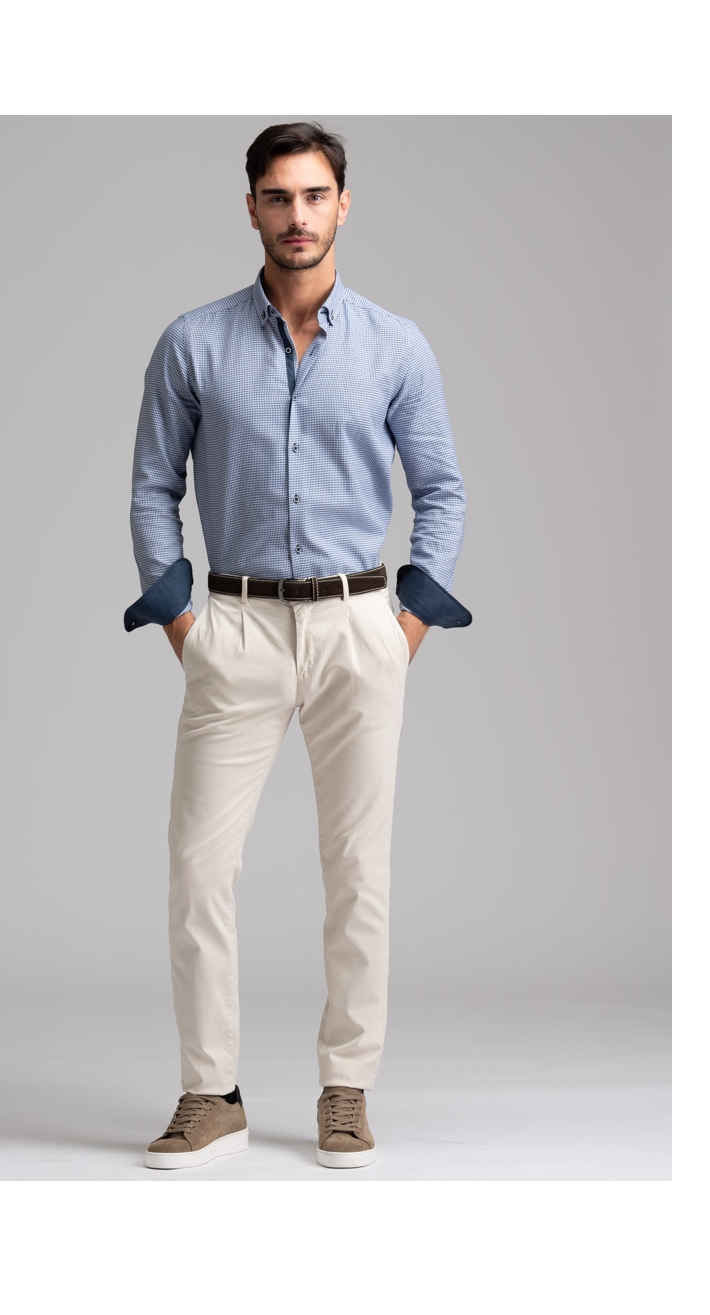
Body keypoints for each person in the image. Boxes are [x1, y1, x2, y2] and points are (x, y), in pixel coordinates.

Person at [125, 121, 471, 1170]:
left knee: (358, 867)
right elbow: (151, 488)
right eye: (277, 196)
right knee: (198, 865)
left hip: (358, 626)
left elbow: (442, 490)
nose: (297, 215)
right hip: (233, 625)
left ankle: (346, 1086)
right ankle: (210, 1091)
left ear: (343, 205)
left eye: (315, 195)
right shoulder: (193, 342)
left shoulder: (396, 345)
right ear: (251, 209)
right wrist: (184, 623)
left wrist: (405, 627)